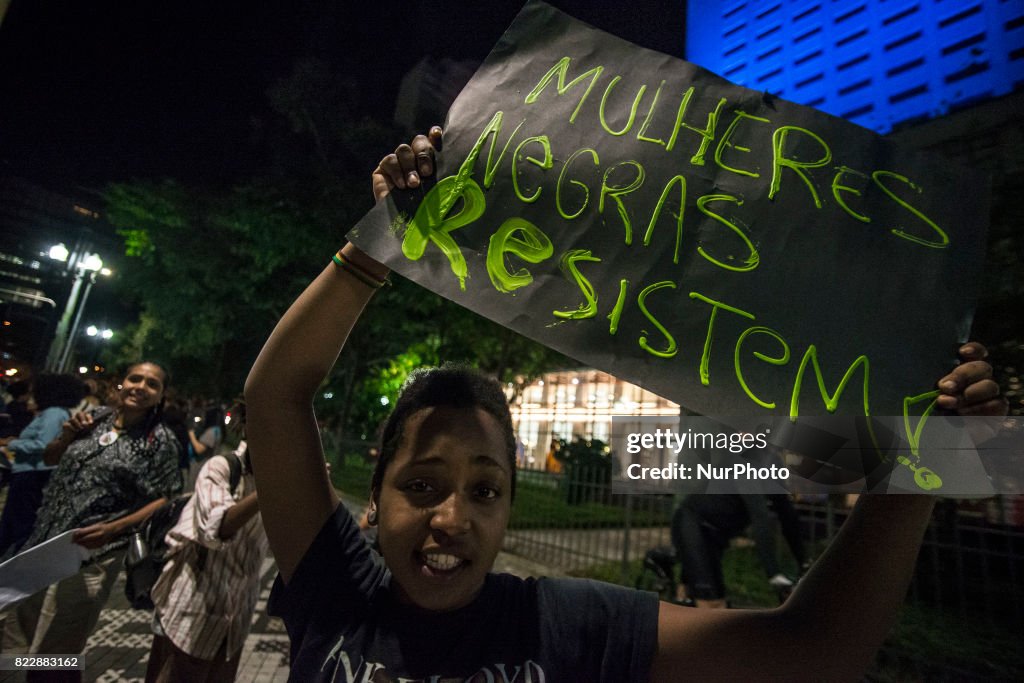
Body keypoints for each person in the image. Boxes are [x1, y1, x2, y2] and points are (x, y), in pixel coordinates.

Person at [244, 129, 1007, 681]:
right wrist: (381, 239)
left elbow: (814, 649)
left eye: (485, 489)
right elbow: (275, 397)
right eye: (421, 484)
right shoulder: (336, 589)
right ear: (372, 495)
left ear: (509, 507)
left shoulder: (561, 627)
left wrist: (925, 468)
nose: (452, 517)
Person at [2, 361, 182, 676]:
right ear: (121, 384)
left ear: (161, 395)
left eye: (152, 384)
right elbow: (50, 458)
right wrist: (67, 435)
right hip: (45, 540)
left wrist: (113, 529)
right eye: (134, 379)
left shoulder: (160, 440)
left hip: (93, 552)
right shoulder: (94, 420)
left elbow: (165, 499)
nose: (140, 387)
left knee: (61, 644)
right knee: (18, 633)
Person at [146, 398, 268, 682]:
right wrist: (270, 490)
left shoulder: (282, 480)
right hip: (191, 610)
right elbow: (218, 526)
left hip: (236, 619)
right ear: (246, 428)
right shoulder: (222, 467)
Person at [0, 373, 86, 557]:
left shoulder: (53, 413)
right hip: (30, 473)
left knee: (19, 524)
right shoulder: (57, 413)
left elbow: (43, 444)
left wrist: (12, 444)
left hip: (32, 474)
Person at [671, 493, 806, 607]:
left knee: (705, 595)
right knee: (713, 604)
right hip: (693, 524)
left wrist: (804, 563)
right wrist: (774, 574)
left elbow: (788, 517)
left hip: (714, 535)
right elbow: (760, 518)